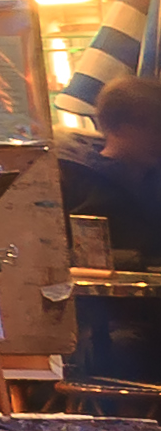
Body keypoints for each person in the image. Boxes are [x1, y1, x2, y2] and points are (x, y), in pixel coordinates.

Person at [64, 79, 161, 385]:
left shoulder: (152, 181)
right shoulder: (82, 187)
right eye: (154, 129)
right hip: (120, 324)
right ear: (119, 128)